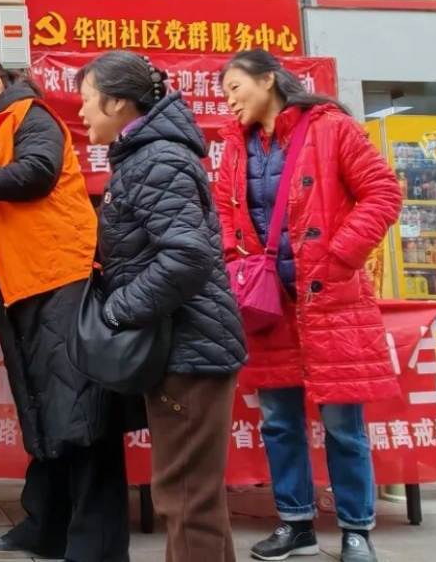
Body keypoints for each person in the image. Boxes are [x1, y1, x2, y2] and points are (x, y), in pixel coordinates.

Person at [0, 51, 131, 562]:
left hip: (63, 282)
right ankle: (46, 527)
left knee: (83, 416)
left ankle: (96, 547)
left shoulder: (31, 116)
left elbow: (35, 175)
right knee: (44, 414)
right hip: (22, 291)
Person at [216, 50, 402, 562]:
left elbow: (383, 192)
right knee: (278, 422)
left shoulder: (330, 128)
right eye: (225, 93)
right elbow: (225, 214)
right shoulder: (235, 147)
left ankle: (356, 529)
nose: (230, 101)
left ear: (268, 80)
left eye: (235, 88)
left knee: (343, 426)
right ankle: (296, 524)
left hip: (331, 302)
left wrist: (339, 255)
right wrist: (237, 261)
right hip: (268, 306)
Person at [77, 51, 247, 562]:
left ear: (117, 103)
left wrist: (118, 310)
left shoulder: (157, 160)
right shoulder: (146, 157)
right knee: (196, 497)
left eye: (87, 100)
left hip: (189, 347)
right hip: (184, 343)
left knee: (186, 499)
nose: (81, 112)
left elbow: (187, 256)